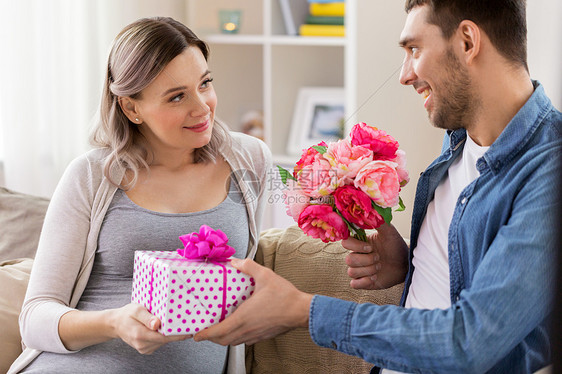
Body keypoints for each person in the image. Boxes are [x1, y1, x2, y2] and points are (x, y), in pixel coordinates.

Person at [195, 0, 562, 372]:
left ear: (467, 41)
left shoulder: (549, 169)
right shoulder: (461, 139)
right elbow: (463, 275)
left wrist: (301, 310)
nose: (404, 75)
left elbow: (469, 342)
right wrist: (408, 264)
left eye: (414, 49)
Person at [9, 17, 271, 374]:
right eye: (177, 96)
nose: (202, 107)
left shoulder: (249, 159)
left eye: (205, 83)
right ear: (132, 108)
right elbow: (35, 317)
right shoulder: (90, 175)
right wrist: (115, 322)